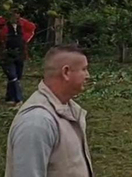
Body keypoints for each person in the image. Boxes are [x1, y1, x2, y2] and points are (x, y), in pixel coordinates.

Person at [5, 44, 93, 177]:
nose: (88, 75)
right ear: (66, 72)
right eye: (84, 69)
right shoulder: (36, 122)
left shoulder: (69, 109)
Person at [0, 9, 36, 107]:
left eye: (17, 13)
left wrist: (24, 40)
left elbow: (32, 28)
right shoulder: (2, 23)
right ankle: (18, 99)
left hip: (20, 53)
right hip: (6, 54)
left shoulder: (23, 23)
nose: (14, 15)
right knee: (12, 76)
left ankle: (9, 97)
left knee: (17, 76)